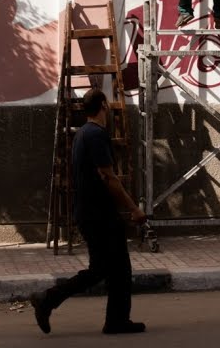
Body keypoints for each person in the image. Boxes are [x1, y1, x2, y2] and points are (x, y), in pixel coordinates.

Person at [30, 88, 147, 335]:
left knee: (103, 269)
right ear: (104, 105)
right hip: (99, 215)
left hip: (90, 213)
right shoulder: (96, 134)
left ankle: (51, 300)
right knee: (117, 268)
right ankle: (111, 319)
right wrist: (134, 208)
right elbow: (108, 176)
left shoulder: (83, 133)